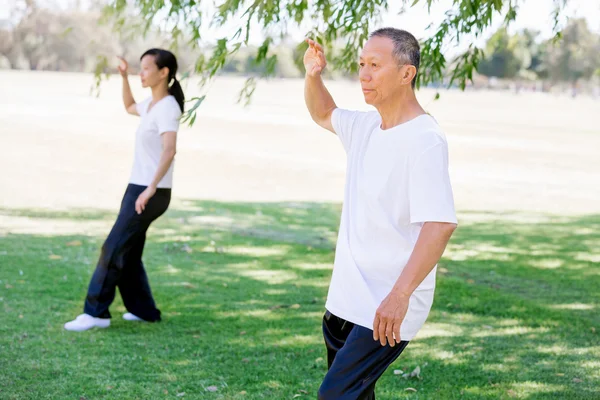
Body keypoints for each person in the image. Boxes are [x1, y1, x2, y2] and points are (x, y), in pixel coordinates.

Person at [303, 28, 458, 399]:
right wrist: (313, 75)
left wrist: (399, 295)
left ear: (407, 74)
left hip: (387, 305)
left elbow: (439, 225)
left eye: (375, 65)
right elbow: (322, 111)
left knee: (334, 395)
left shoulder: (424, 140)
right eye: (360, 64)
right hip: (345, 297)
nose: (363, 74)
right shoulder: (365, 126)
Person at [64, 49, 185, 331]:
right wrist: (123, 77)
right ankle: (144, 311)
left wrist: (150, 189)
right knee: (128, 251)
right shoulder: (152, 105)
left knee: (113, 246)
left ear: (163, 72)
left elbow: (170, 150)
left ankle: (96, 313)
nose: (141, 73)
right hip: (138, 186)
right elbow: (130, 106)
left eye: (145, 68)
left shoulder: (168, 107)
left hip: (151, 190)